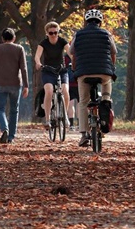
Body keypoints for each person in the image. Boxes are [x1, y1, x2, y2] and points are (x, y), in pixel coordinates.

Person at [68, 9, 117, 147]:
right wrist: (111, 68)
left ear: (86, 21)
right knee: (107, 90)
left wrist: (74, 69)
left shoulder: (78, 35)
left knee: (83, 102)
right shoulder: (107, 34)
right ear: (100, 22)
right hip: (104, 72)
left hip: (84, 73)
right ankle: (105, 104)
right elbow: (113, 53)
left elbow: (73, 53)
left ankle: (84, 134)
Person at [0, 28, 29, 144]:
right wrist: (26, 85)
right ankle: (11, 137)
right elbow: (23, 68)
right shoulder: (19, 48)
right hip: (15, 83)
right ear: (14, 38)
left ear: (2, 38)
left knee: (0, 109)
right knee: (14, 110)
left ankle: (4, 128)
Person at [34, 21, 71, 129]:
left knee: (65, 91)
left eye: (56, 32)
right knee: (49, 91)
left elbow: (70, 52)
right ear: (47, 33)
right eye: (51, 33)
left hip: (61, 70)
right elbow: (37, 56)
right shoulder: (43, 43)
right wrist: (38, 63)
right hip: (48, 70)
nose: (54, 35)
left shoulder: (62, 41)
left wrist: (74, 61)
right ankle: (47, 119)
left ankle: (65, 116)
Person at [64, 54, 79, 130]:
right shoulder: (80, 53)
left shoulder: (66, 56)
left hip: (69, 83)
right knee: (81, 104)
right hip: (79, 81)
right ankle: (80, 124)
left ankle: (71, 125)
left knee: (70, 104)